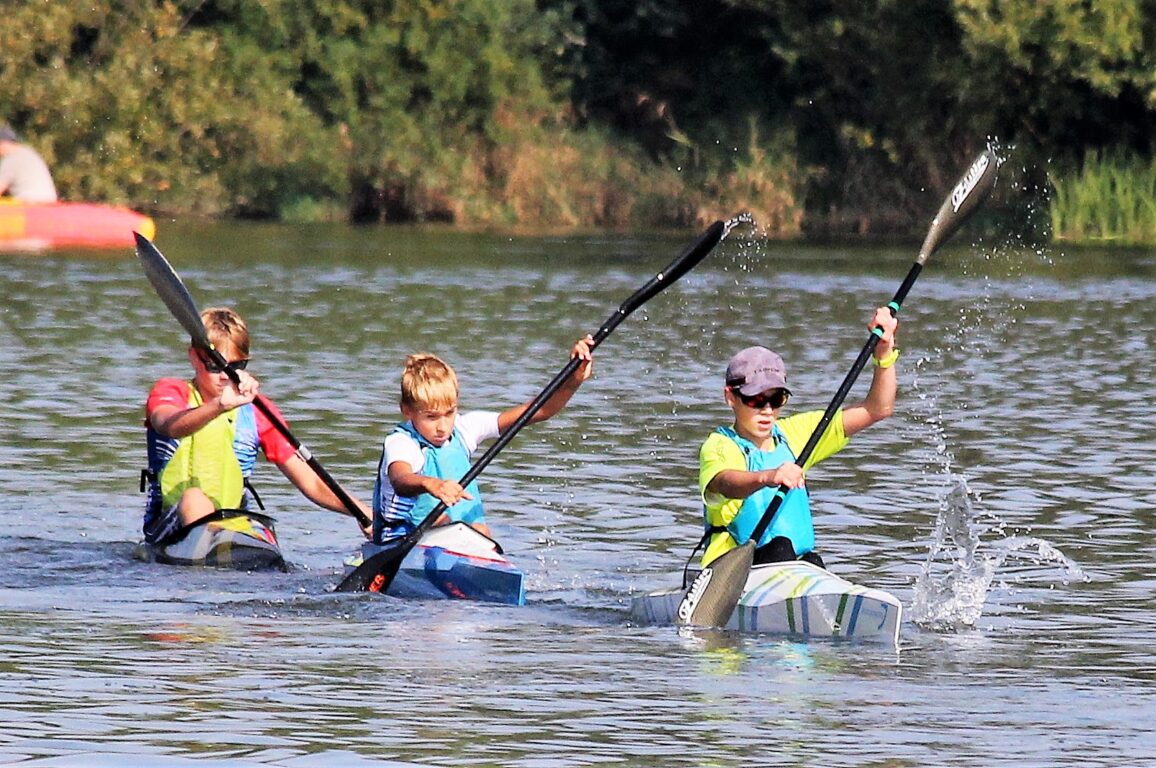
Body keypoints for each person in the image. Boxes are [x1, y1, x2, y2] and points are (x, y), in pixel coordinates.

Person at [143, 307, 370, 546]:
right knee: (194, 499)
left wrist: (364, 514)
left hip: (235, 526)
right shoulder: (170, 391)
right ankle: (211, 555)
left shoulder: (258, 411)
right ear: (193, 357)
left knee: (265, 531)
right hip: (170, 529)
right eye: (214, 366)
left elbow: (312, 482)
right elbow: (168, 425)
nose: (224, 376)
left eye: (235, 365)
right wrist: (220, 406)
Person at [698, 306, 899, 569]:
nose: (767, 410)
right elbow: (725, 483)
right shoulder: (720, 445)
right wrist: (768, 476)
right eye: (755, 399)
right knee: (780, 548)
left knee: (810, 559)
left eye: (776, 399)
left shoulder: (795, 435)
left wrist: (883, 353)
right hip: (730, 573)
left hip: (794, 567)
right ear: (730, 397)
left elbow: (877, 409)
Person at [372, 336, 595, 547]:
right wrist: (431, 484)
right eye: (431, 417)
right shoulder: (401, 442)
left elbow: (539, 410)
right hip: (401, 540)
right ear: (407, 411)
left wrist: (572, 381)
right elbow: (401, 479)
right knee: (443, 520)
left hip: (450, 538)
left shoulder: (465, 428)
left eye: (449, 413)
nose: (442, 426)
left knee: (480, 529)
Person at [0, 125, 58, 203]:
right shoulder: (29, 152)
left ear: (2, 143)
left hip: (30, 204)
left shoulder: (11, 160)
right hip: (50, 202)